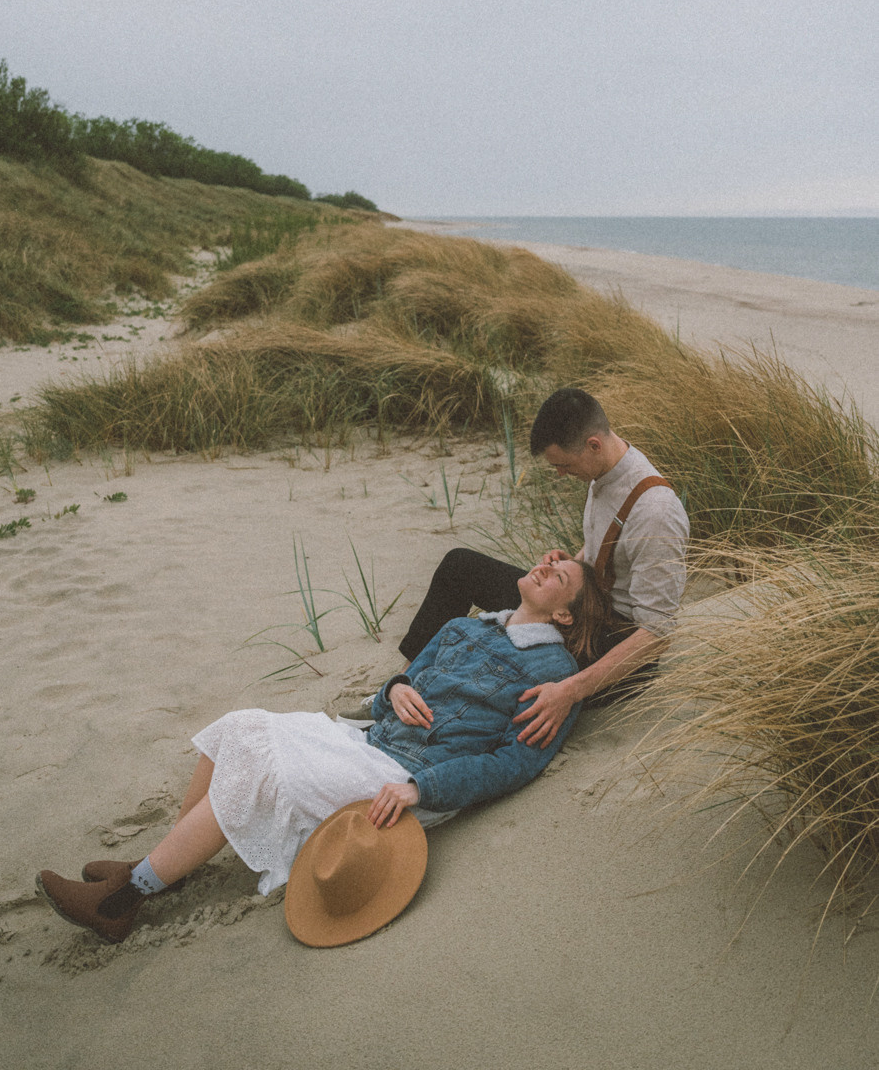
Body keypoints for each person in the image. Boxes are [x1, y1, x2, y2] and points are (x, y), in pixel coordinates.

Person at [36, 557, 609, 944]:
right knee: (240, 725)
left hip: (405, 776)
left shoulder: (554, 676)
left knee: (264, 770)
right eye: (547, 558)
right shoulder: (468, 628)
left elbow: (512, 764)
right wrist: (396, 690)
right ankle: (166, 865)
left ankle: (124, 899)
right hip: (367, 740)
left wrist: (421, 789)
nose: (544, 564)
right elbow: (398, 687)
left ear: (563, 615)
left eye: (559, 575)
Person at [397, 387, 689, 750]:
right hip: (583, 609)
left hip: (617, 647)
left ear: (594, 445)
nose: (562, 475)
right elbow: (606, 547)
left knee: (501, 656)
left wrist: (570, 690)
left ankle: (433, 715)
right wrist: (572, 566)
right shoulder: (605, 470)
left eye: (564, 465)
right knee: (460, 566)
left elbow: (657, 632)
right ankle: (403, 683)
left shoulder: (656, 511)